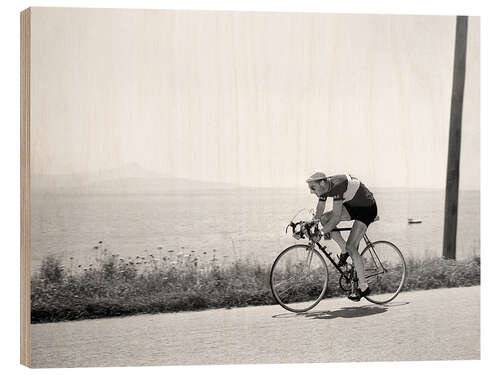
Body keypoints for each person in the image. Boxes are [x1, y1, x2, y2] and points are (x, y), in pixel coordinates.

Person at [306, 172, 378, 301]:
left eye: (313, 188)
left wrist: (321, 233)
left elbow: (337, 217)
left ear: (322, 183)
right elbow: (321, 207)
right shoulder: (324, 187)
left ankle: (363, 287)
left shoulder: (337, 186)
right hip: (353, 206)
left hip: (367, 209)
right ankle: (344, 250)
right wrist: (312, 222)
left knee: (352, 246)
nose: (311, 192)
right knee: (324, 218)